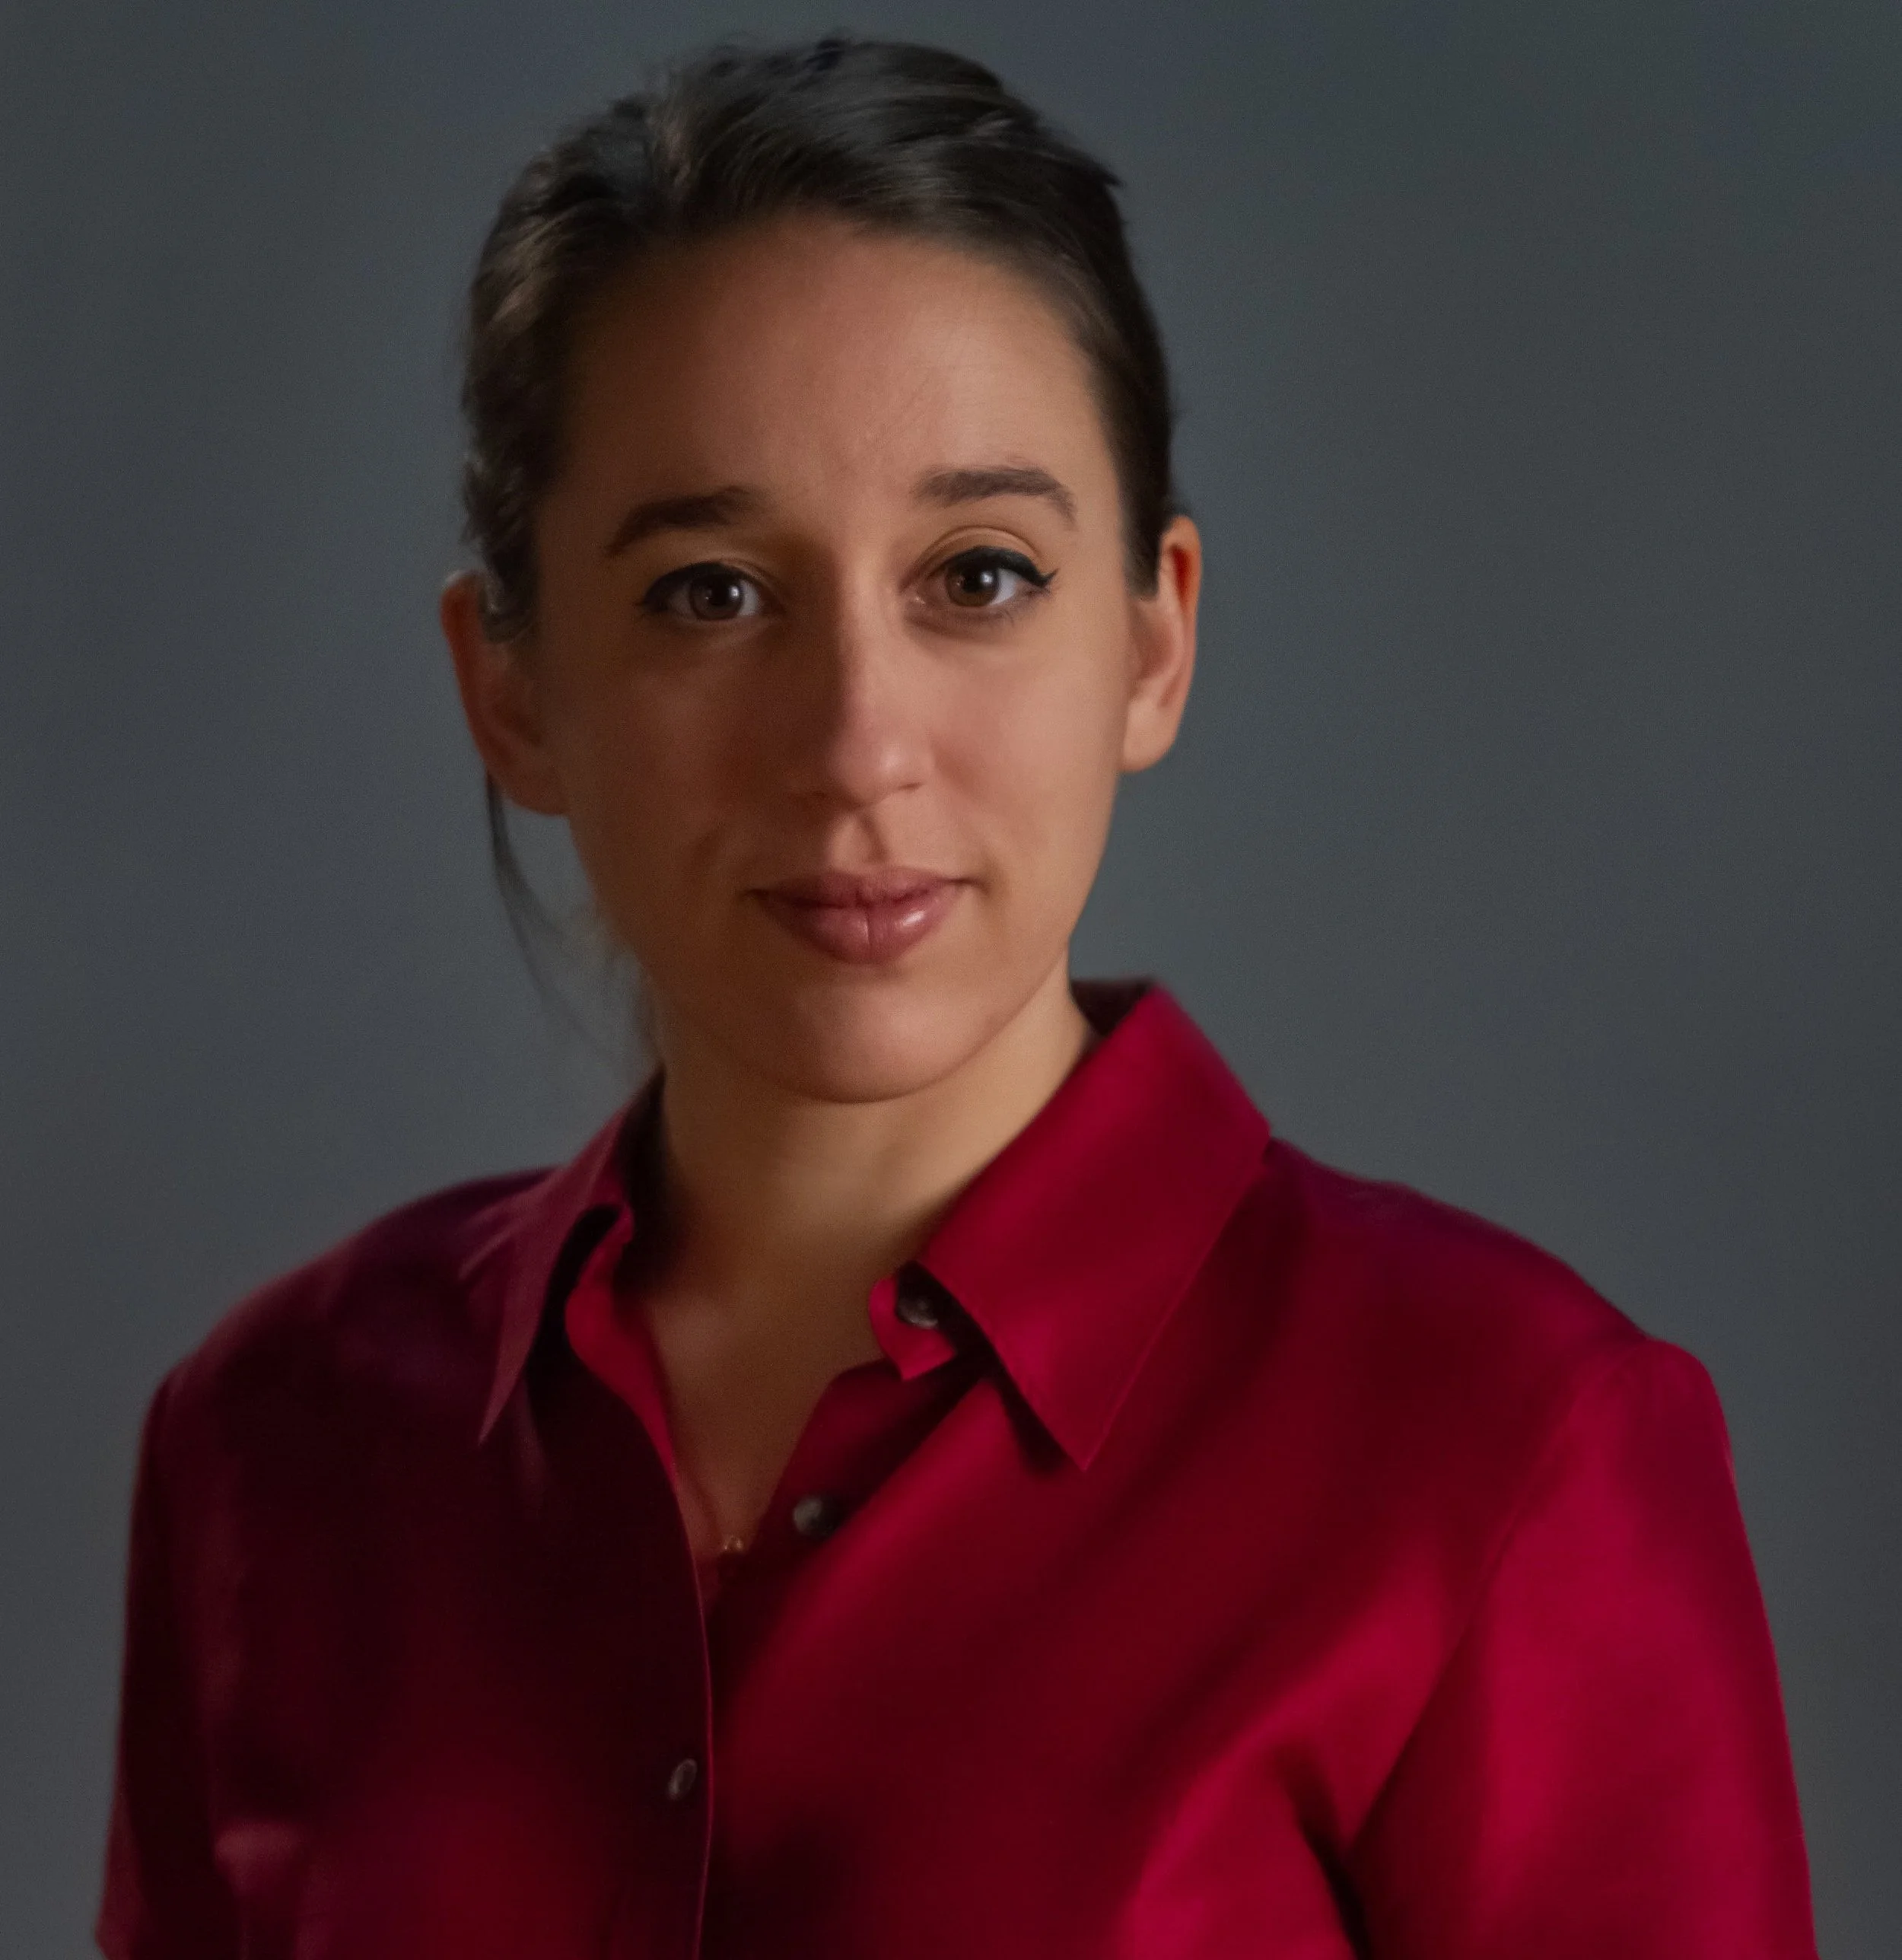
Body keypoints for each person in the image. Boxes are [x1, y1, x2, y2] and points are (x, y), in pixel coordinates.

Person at [96, 33, 1818, 1960]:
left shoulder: (1510, 1448)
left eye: (977, 577)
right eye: (709, 594)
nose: (854, 745)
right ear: (508, 686)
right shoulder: (273, 1445)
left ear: (1152, 639)